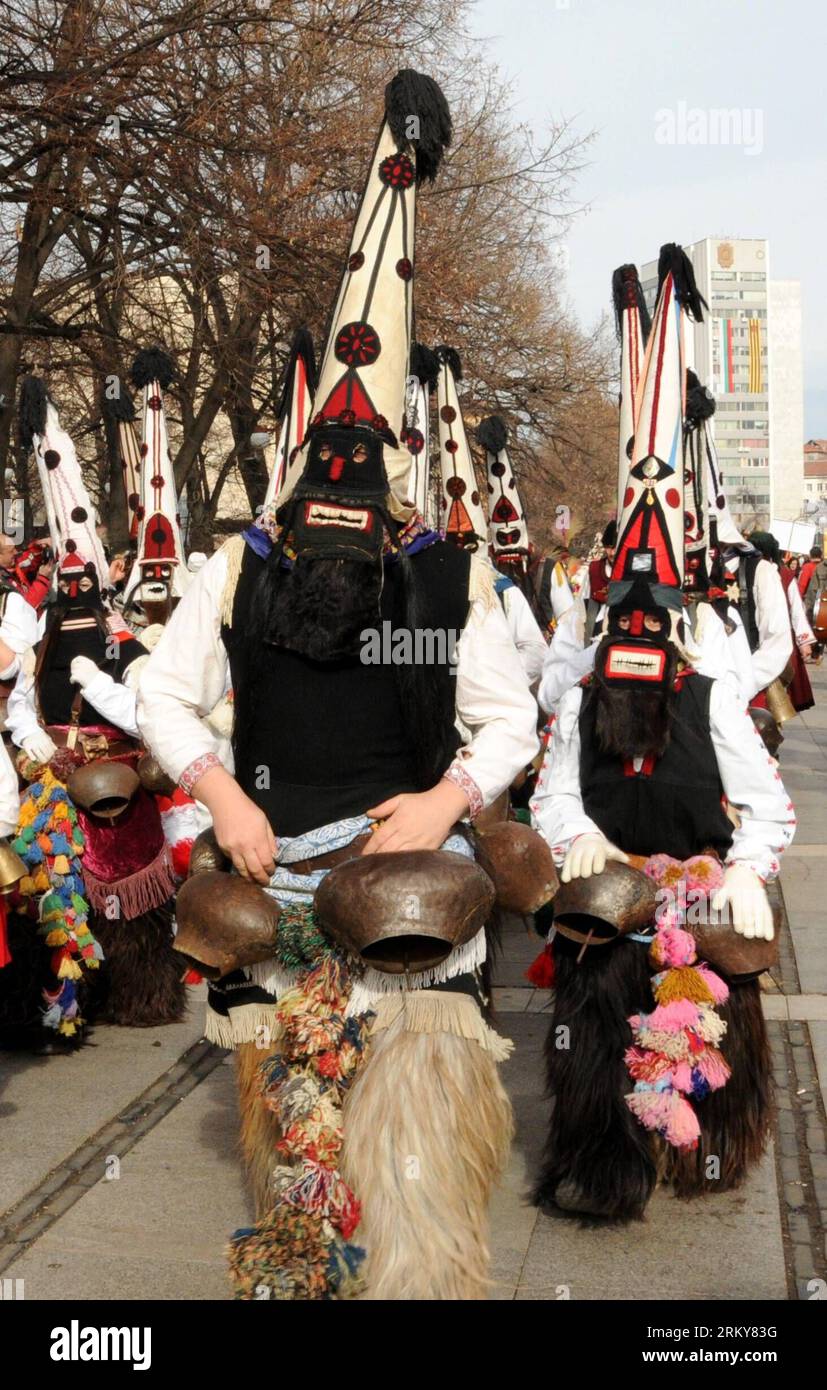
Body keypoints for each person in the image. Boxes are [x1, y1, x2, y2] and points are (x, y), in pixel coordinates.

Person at [138, 70, 537, 1301]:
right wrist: (218, 790)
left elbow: (508, 715)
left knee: (415, 1179)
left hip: (417, 917)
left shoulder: (437, 579)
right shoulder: (236, 571)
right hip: (280, 905)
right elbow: (158, 695)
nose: (336, 527)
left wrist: (449, 797)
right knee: (306, 1185)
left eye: (357, 504)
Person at [530, 243, 795, 1222]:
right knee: (592, 1022)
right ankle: (600, 1159)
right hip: (609, 897)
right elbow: (557, 793)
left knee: (704, 1030)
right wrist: (583, 847)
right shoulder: (586, 687)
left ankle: (702, 1147)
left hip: (695, 896)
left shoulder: (713, 689)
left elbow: (765, 810)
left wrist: (730, 873)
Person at [9, 376, 183, 1039]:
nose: (77, 595)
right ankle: (58, 1009)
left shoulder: (124, 640)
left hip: (121, 785)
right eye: (68, 586)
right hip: (51, 785)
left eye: (87, 586)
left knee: (131, 905)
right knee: (52, 899)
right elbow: (18, 701)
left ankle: (140, 997)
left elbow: (152, 707)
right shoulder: (40, 636)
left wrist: (106, 682)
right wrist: (36, 745)